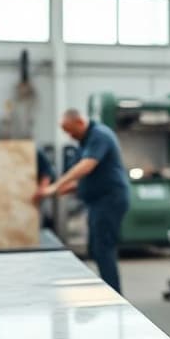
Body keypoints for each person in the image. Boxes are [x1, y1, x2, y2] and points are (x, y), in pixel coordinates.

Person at [34, 109, 129, 293]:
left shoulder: (99, 135)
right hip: (96, 202)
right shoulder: (83, 143)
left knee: (103, 248)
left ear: (79, 122)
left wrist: (57, 185)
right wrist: (53, 192)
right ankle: (106, 288)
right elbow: (82, 181)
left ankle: (114, 293)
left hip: (110, 199)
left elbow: (86, 166)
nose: (69, 135)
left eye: (70, 130)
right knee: (95, 248)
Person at [35, 148, 56, 229]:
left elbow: (47, 173)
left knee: (38, 221)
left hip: (38, 193)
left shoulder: (36, 152)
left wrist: (41, 191)